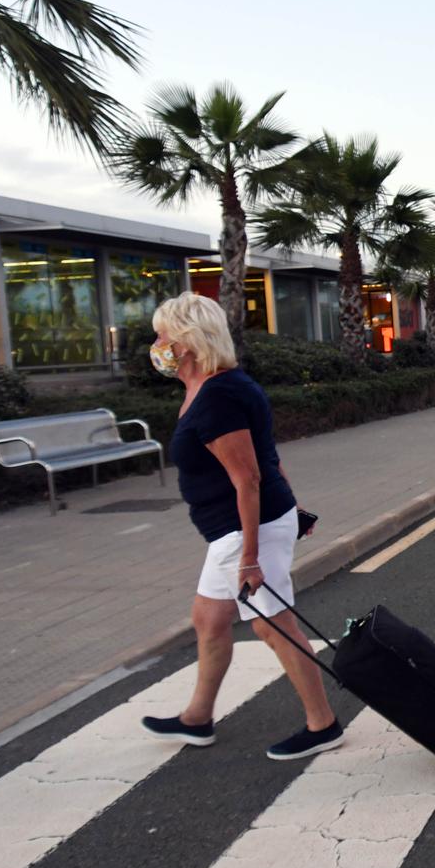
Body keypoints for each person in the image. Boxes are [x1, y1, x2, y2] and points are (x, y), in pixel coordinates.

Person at [138, 293, 343, 761]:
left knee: (274, 625)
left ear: (186, 342)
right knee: (209, 620)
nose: (157, 344)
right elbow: (267, 459)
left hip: (243, 531)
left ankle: (323, 724)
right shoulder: (213, 387)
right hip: (239, 529)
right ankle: (197, 718)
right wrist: (294, 509)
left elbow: (248, 478)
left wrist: (251, 556)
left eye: (163, 335)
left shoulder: (219, 397)